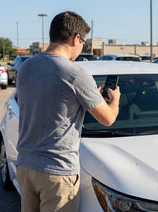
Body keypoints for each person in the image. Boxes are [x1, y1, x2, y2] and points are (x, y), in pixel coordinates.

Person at [16, 11, 120, 212]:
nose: (82, 48)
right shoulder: (75, 74)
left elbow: (43, 102)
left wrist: (88, 96)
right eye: (84, 43)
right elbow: (107, 119)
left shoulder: (26, 67)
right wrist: (114, 101)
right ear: (76, 39)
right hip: (56, 172)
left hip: (26, 166)